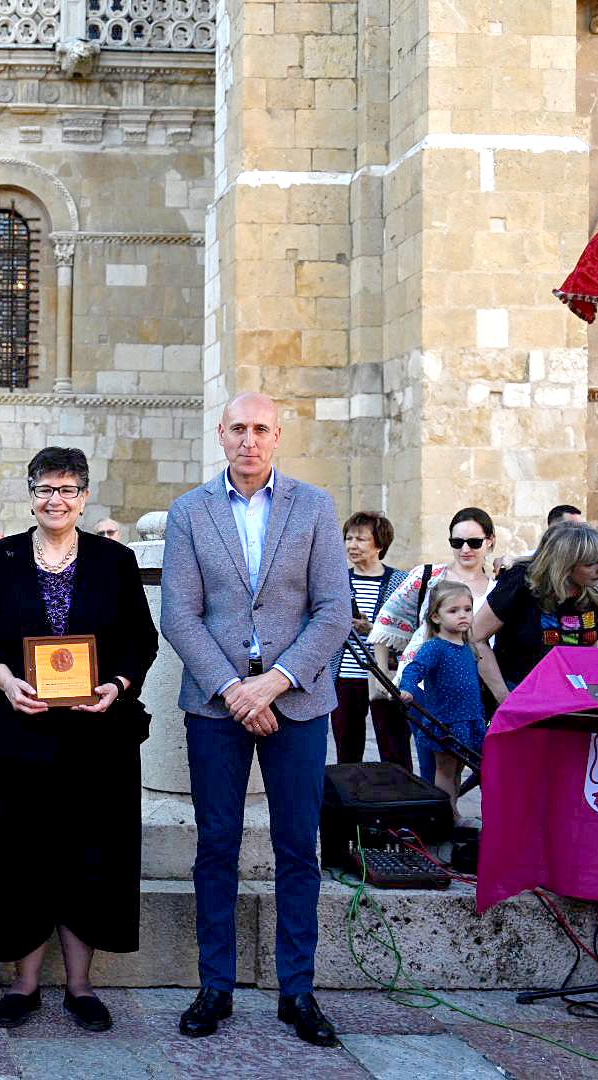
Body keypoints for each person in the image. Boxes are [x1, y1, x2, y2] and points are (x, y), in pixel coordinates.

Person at [160, 392, 349, 1048]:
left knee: (299, 847)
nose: (249, 440)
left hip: (297, 701)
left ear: (278, 436)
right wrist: (233, 689)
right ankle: (216, 985)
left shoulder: (315, 507)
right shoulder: (191, 511)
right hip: (215, 704)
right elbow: (180, 613)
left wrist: (273, 683)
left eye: (261, 429)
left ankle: (298, 990)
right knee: (216, 845)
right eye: (238, 428)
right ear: (222, 434)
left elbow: (333, 609)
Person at [0, 446, 158, 1034]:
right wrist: (4, 683)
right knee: (20, 856)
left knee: (90, 855)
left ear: (85, 495)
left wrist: (117, 685)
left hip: (97, 738)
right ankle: (23, 983)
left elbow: (140, 640)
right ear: (30, 492)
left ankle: (79, 985)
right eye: (46, 488)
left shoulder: (114, 561)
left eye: (68, 490)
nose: (56, 500)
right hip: (17, 733)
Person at [368, 507, 498, 781]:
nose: (465, 549)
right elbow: (387, 619)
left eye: (474, 542)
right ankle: (440, 818)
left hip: (477, 687)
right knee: (433, 763)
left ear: (490, 541)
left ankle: (465, 814)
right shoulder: (428, 576)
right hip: (429, 686)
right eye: (457, 542)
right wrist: (381, 673)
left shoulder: (500, 586)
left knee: (481, 761)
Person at [474, 521, 598, 697]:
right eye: (591, 563)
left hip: (569, 691)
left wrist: (589, 689)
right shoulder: (520, 581)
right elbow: (476, 637)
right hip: (519, 688)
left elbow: (590, 640)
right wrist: (504, 697)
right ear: (564, 566)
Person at [397, 582, 489, 821]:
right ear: (436, 617)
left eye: (467, 609)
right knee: (445, 770)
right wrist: (407, 689)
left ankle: (451, 808)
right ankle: (447, 815)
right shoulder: (434, 647)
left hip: (469, 719)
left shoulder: (468, 647)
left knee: (458, 770)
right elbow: (413, 670)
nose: (462, 615)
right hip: (447, 721)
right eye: (454, 610)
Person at [330, 512, 409, 768]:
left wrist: (372, 629)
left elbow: (410, 631)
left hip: (385, 676)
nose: (352, 545)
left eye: (361, 539)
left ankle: (399, 803)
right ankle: (351, 804)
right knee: (347, 748)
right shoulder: (336, 580)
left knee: (394, 746)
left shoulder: (400, 581)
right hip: (345, 675)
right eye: (349, 538)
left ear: (380, 544)